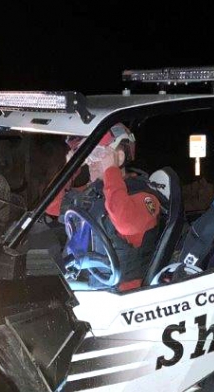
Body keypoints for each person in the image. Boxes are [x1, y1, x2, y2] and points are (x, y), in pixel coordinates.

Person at [58, 123, 164, 291]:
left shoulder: (144, 196)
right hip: (86, 287)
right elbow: (51, 210)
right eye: (88, 156)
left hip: (124, 297)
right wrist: (70, 171)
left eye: (98, 154)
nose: (91, 162)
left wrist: (110, 171)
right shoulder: (91, 193)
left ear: (119, 158)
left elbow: (126, 222)